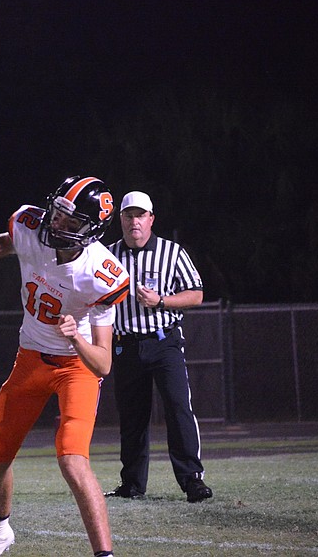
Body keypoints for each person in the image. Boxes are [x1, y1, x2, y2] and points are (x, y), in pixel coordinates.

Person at [0, 176, 129, 557]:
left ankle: (105, 555)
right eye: (59, 211)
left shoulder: (102, 274)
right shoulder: (31, 228)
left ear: (91, 229)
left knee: (72, 459)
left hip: (75, 368)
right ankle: (0, 532)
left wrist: (76, 339)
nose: (58, 223)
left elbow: (103, 364)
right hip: (29, 357)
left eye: (70, 219)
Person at [104, 191, 212, 503]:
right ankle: (132, 484)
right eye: (128, 215)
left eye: (140, 215)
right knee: (132, 417)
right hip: (125, 345)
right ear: (120, 219)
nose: (134, 221)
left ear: (151, 219)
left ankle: (192, 480)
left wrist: (161, 301)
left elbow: (196, 294)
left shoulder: (172, 252)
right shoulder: (106, 255)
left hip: (164, 341)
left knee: (178, 409)